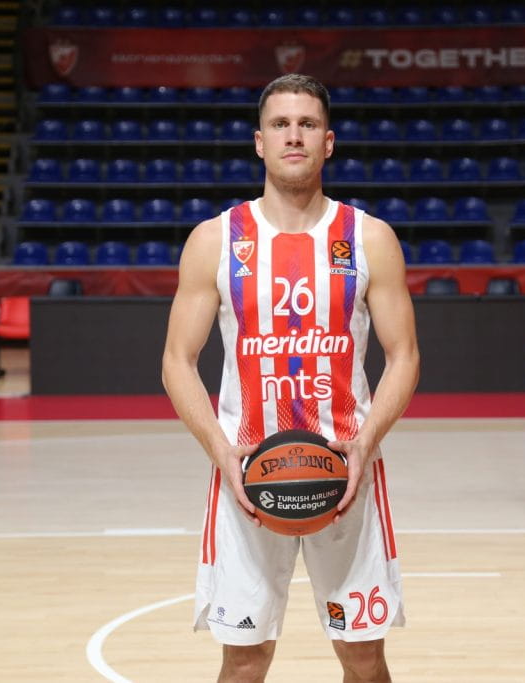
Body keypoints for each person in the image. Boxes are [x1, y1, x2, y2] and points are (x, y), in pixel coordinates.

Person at [162, 73, 419, 683]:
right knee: (244, 660)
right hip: (246, 478)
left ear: (328, 141)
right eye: (280, 124)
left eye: (307, 124)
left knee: (364, 656)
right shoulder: (215, 240)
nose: (294, 136)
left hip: (347, 474)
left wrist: (365, 444)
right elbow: (176, 360)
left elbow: (404, 355)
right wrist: (223, 454)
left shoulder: (370, 239)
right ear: (260, 141)